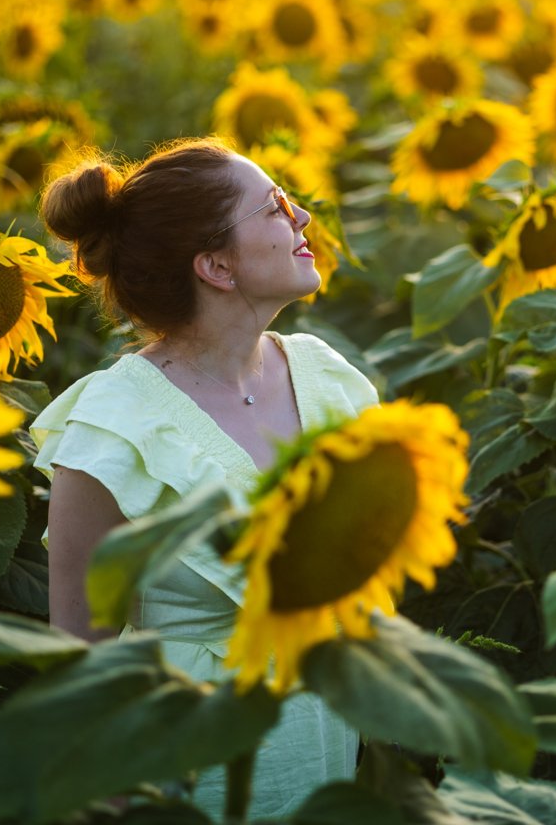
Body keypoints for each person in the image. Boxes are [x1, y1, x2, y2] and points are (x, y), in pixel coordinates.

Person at [32, 138, 378, 818]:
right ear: (217, 265)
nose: (303, 216)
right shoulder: (114, 431)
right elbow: (81, 666)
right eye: (276, 207)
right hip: (186, 773)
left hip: (325, 752)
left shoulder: (327, 381)